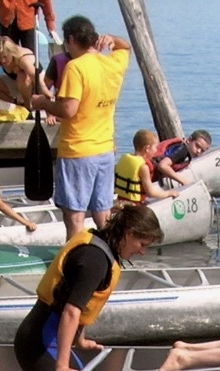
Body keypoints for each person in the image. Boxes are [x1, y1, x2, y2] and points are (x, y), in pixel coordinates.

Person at [13, 205, 163, 371]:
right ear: (129, 233)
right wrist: (61, 367)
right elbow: (70, 311)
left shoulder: (102, 246)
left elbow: (80, 301)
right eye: (142, 244)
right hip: (39, 342)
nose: (142, 251)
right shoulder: (95, 259)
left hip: (50, 338)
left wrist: (80, 340)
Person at [29, 16, 131, 240]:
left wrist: (42, 102)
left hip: (77, 151)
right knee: (102, 213)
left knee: (75, 218)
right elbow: (126, 47)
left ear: (71, 40)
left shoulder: (76, 67)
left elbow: (68, 109)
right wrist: (112, 38)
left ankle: (75, 261)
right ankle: (109, 256)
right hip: (104, 150)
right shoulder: (112, 63)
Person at [0, 36, 50, 113]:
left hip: (35, 83)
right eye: (0, 58)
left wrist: (48, 104)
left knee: (22, 75)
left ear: (12, 53)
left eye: (5, 57)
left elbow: (36, 78)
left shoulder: (23, 59)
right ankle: (14, 102)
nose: (2, 60)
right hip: (16, 83)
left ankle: (27, 106)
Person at [114, 129, 179, 206]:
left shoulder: (124, 159)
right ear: (147, 148)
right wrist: (168, 193)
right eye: (155, 147)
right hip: (134, 205)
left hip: (120, 201)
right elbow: (150, 192)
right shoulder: (143, 167)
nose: (156, 150)